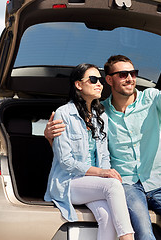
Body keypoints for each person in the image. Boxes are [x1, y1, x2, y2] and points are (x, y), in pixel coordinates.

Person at [45, 55, 161, 240]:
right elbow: (78, 149)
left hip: (159, 181)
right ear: (110, 79)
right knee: (143, 232)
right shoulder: (101, 113)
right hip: (126, 184)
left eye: (133, 73)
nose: (130, 78)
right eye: (123, 74)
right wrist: (50, 137)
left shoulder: (151, 100)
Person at [44, 63, 134, 240]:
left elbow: (104, 155)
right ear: (78, 85)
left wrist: (105, 173)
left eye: (100, 80)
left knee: (107, 217)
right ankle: (127, 237)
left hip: (93, 184)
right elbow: (66, 162)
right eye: (93, 80)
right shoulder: (64, 114)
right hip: (69, 183)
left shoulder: (101, 116)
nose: (99, 83)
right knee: (113, 185)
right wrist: (103, 173)